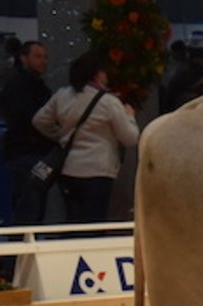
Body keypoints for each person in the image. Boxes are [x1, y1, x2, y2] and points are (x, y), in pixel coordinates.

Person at [31, 51, 140, 224]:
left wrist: (60, 136)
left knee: (73, 221)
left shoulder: (62, 95)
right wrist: (129, 116)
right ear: (97, 73)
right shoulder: (108, 102)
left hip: (68, 169)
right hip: (98, 170)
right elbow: (130, 138)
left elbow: (39, 120)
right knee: (94, 223)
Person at [0, 40, 55, 224]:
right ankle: (22, 250)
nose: (43, 61)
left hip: (34, 153)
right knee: (29, 209)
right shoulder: (20, 85)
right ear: (24, 58)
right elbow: (27, 118)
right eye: (37, 56)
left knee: (34, 208)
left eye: (45, 57)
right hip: (26, 153)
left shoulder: (38, 86)